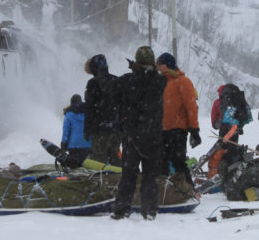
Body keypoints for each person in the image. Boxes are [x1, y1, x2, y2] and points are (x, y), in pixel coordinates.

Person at [111, 46, 167, 220]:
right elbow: (152, 78)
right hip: (153, 136)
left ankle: (122, 210)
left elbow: (114, 87)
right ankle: (150, 209)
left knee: (128, 176)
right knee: (150, 176)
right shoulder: (159, 81)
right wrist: (140, 69)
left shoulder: (127, 81)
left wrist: (134, 69)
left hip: (131, 136)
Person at [156, 52, 200, 183]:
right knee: (162, 164)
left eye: (160, 65)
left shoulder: (183, 81)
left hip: (177, 130)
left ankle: (188, 192)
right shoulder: (162, 82)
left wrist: (194, 130)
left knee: (178, 163)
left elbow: (191, 107)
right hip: (162, 130)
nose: (158, 68)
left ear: (166, 66)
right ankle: (165, 194)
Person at [83, 54, 120, 165]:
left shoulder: (92, 83)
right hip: (116, 128)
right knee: (115, 157)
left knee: (99, 159)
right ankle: (119, 180)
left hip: (99, 129)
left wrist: (87, 128)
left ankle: (101, 181)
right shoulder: (116, 80)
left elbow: (89, 108)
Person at [61, 94, 90, 165]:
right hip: (88, 143)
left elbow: (66, 131)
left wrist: (63, 143)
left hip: (74, 145)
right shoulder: (89, 112)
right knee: (86, 167)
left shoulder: (69, 114)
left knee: (75, 166)